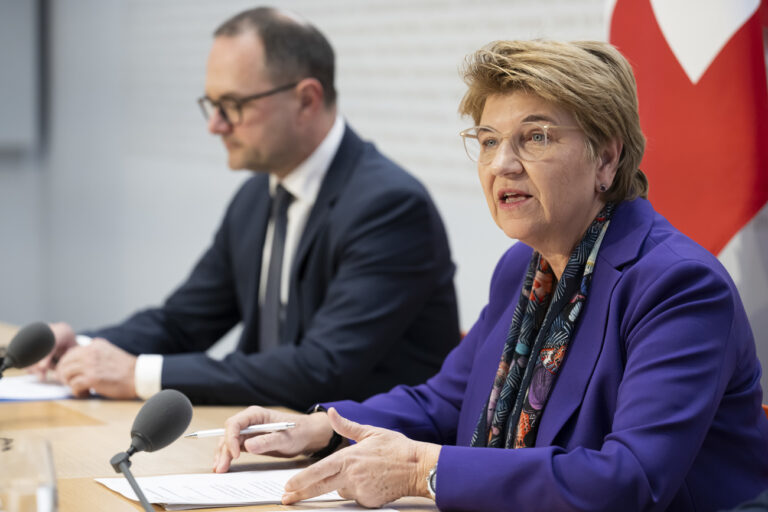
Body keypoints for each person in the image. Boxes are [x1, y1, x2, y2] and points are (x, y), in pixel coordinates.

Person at [213, 40, 768, 511]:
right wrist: (323, 425)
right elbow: (449, 403)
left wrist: (422, 472)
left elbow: (632, 480)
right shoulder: (522, 271)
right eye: (487, 141)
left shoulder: (678, 287)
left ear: (606, 160)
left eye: (536, 137)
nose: (502, 163)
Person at [31, 7, 460, 408]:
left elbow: (321, 368)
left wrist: (140, 374)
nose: (215, 125)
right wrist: (81, 349)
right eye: (212, 105)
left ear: (306, 100)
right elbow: (184, 322)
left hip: (362, 463)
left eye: (232, 105)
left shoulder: (390, 207)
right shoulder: (258, 195)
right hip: (270, 446)